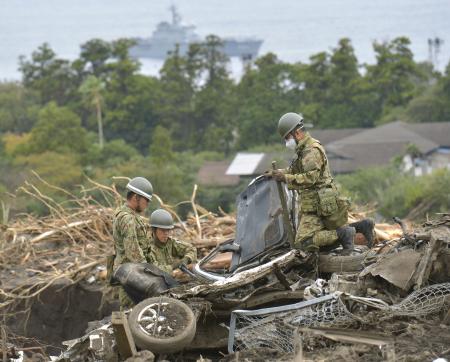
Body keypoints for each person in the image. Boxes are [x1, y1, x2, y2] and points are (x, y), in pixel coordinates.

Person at [267, 112, 374, 253]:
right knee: (317, 239)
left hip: (317, 204)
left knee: (303, 243)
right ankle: (361, 227)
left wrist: (285, 178)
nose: (287, 142)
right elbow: (294, 170)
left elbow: (311, 178)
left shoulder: (311, 150)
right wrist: (277, 173)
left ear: (297, 133)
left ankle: (344, 233)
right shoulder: (302, 150)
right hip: (315, 203)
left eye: (287, 137)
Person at [112, 176, 153, 309]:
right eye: (146, 200)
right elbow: (133, 252)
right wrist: (150, 271)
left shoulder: (129, 215)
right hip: (130, 274)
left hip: (131, 272)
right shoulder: (127, 219)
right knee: (131, 312)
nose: (147, 204)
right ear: (136, 197)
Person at [147, 209, 197, 274]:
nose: (166, 233)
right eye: (162, 230)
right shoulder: (147, 248)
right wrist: (173, 266)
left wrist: (186, 259)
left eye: (168, 230)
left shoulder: (170, 242)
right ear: (153, 230)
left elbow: (192, 249)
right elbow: (153, 269)